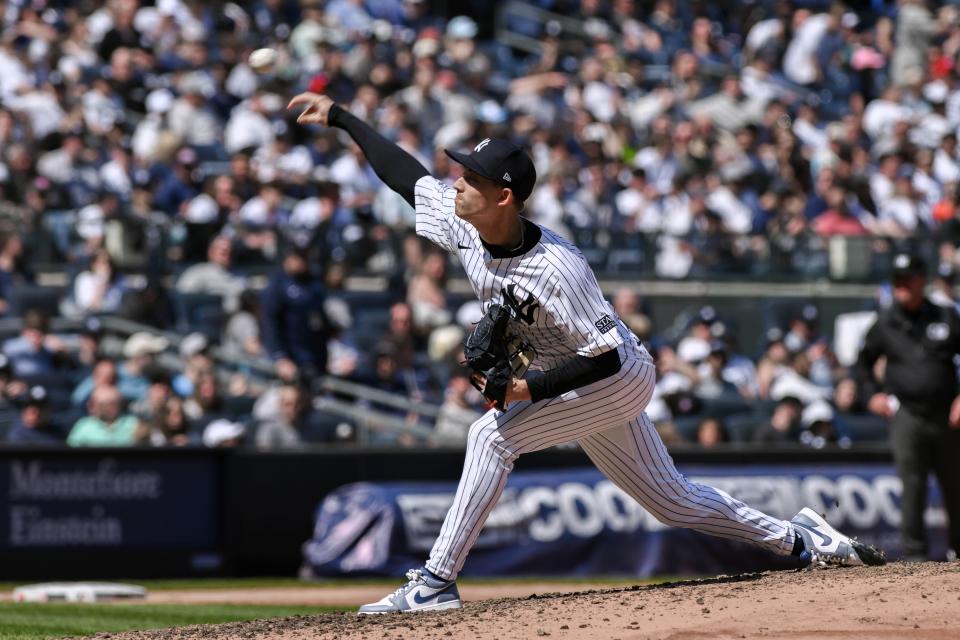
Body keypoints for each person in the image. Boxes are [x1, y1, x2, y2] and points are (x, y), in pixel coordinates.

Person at [288, 91, 884, 614]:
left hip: (613, 374)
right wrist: (342, 117)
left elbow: (604, 356)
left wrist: (526, 390)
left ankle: (435, 582)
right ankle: (804, 540)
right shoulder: (466, 222)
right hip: (572, 374)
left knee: (491, 437)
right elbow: (404, 176)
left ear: (504, 196)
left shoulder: (558, 267)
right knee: (672, 502)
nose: (456, 183)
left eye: (470, 177)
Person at [855, 253, 960, 561]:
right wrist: (871, 394)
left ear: (921, 281)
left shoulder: (945, 317)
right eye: (897, 281)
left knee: (956, 484)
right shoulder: (886, 322)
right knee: (912, 485)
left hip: (947, 416)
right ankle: (915, 557)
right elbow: (862, 364)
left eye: (907, 280)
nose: (901, 287)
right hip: (908, 414)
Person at [260, 246, 329, 382]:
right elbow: (270, 322)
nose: (301, 262)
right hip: (290, 357)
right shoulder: (278, 285)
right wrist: (279, 357)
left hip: (313, 356)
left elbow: (320, 320)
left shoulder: (314, 284)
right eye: (297, 258)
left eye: (304, 258)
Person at [67, 385, 139, 447]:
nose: (110, 408)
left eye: (114, 403)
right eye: (104, 405)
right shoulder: (84, 426)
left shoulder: (134, 424)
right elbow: (71, 452)